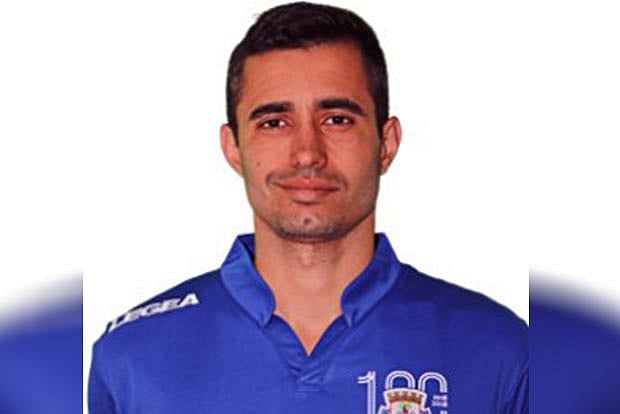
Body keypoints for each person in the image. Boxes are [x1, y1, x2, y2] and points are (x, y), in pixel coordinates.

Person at [88, 2, 527, 413]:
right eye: (274, 123)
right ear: (234, 148)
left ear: (386, 144)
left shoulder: (497, 351)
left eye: (337, 119)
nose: (307, 153)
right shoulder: (133, 358)